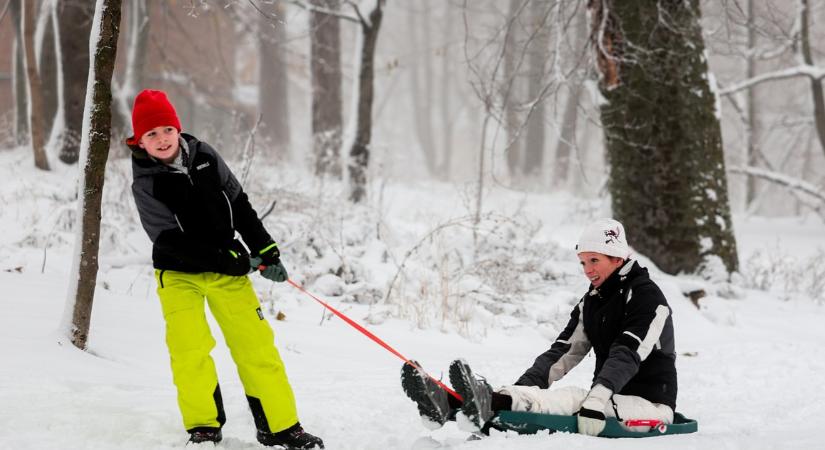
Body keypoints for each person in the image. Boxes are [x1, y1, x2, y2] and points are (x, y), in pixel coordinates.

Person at [128, 89, 323, 449]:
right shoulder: (145, 182)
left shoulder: (204, 156)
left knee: (256, 347)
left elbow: (239, 202)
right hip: (178, 275)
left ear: (177, 128)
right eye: (151, 134)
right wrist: (231, 261)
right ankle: (203, 427)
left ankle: (280, 427)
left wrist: (265, 250)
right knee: (189, 350)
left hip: (227, 272)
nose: (161, 139)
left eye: (166, 129)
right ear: (139, 140)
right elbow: (169, 241)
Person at [401, 218, 677, 437]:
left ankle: (488, 402)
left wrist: (598, 397)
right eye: (583, 262)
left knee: (571, 399)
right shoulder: (593, 301)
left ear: (617, 258)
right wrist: (520, 389)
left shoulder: (648, 298)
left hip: (650, 406)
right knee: (549, 397)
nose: (588, 270)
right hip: (604, 400)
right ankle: (451, 405)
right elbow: (563, 351)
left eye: (595, 261)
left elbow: (628, 352)